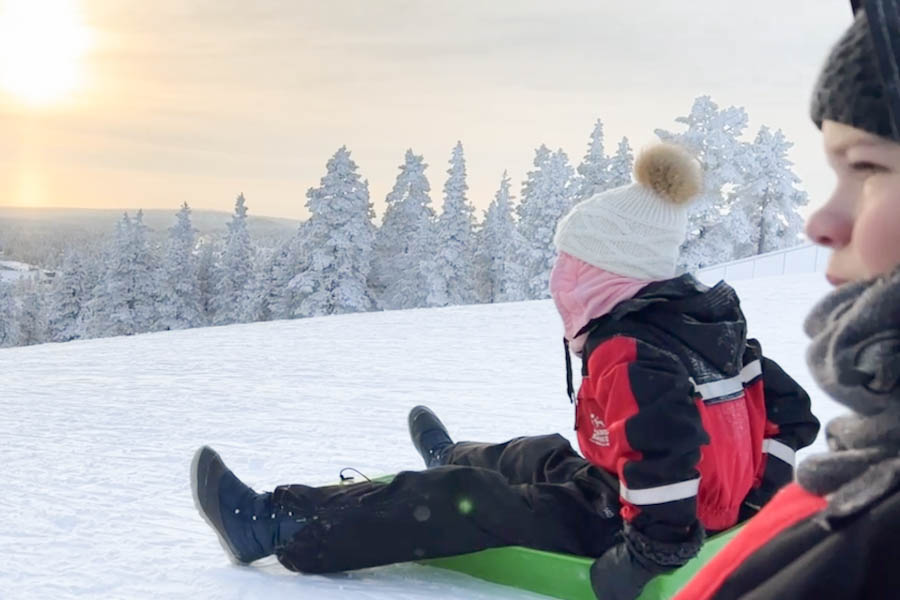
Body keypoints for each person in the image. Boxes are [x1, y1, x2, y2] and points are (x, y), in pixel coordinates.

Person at [190, 143, 818, 600]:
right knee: (543, 453)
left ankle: (277, 525)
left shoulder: (632, 350)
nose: (560, 277)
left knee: (469, 503)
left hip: (637, 526)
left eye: (573, 263)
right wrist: (754, 496)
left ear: (610, 274)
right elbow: (791, 416)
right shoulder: (701, 325)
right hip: (669, 504)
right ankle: (455, 454)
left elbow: (666, 455)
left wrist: (650, 553)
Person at [672, 2, 900, 599]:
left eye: (870, 166)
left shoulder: (876, 539)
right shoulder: (863, 475)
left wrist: (653, 540)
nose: (819, 222)